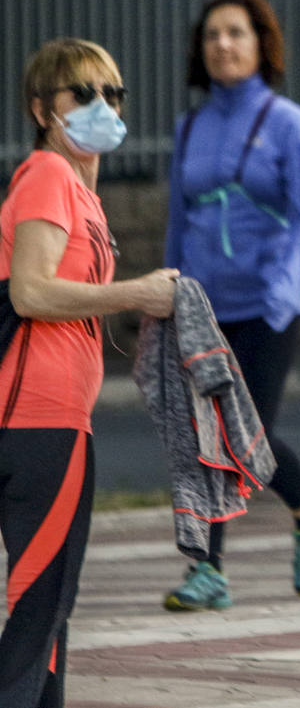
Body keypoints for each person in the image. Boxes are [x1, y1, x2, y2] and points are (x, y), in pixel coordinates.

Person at [0, 38, 179, 707]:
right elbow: (31, 292)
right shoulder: (47, 176)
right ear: (42, 108)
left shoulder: (78, 191)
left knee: (48, 610)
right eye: (83, 93)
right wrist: (136, 292)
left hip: (51, 418)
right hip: (38, 419)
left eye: (113, 93)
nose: (101, 105)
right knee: (39, 607)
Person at [161, 0, 300, 611]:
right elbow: (179, 221)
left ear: (262, 44)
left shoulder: (290, 124)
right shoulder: (191, 127)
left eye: (236, 33)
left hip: (267, 305)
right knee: (206, 434)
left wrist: (283, 289)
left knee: (248, 435)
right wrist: (171, 289)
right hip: (203, 307)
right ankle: (207, 571)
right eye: (212, 35)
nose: (222, 45)